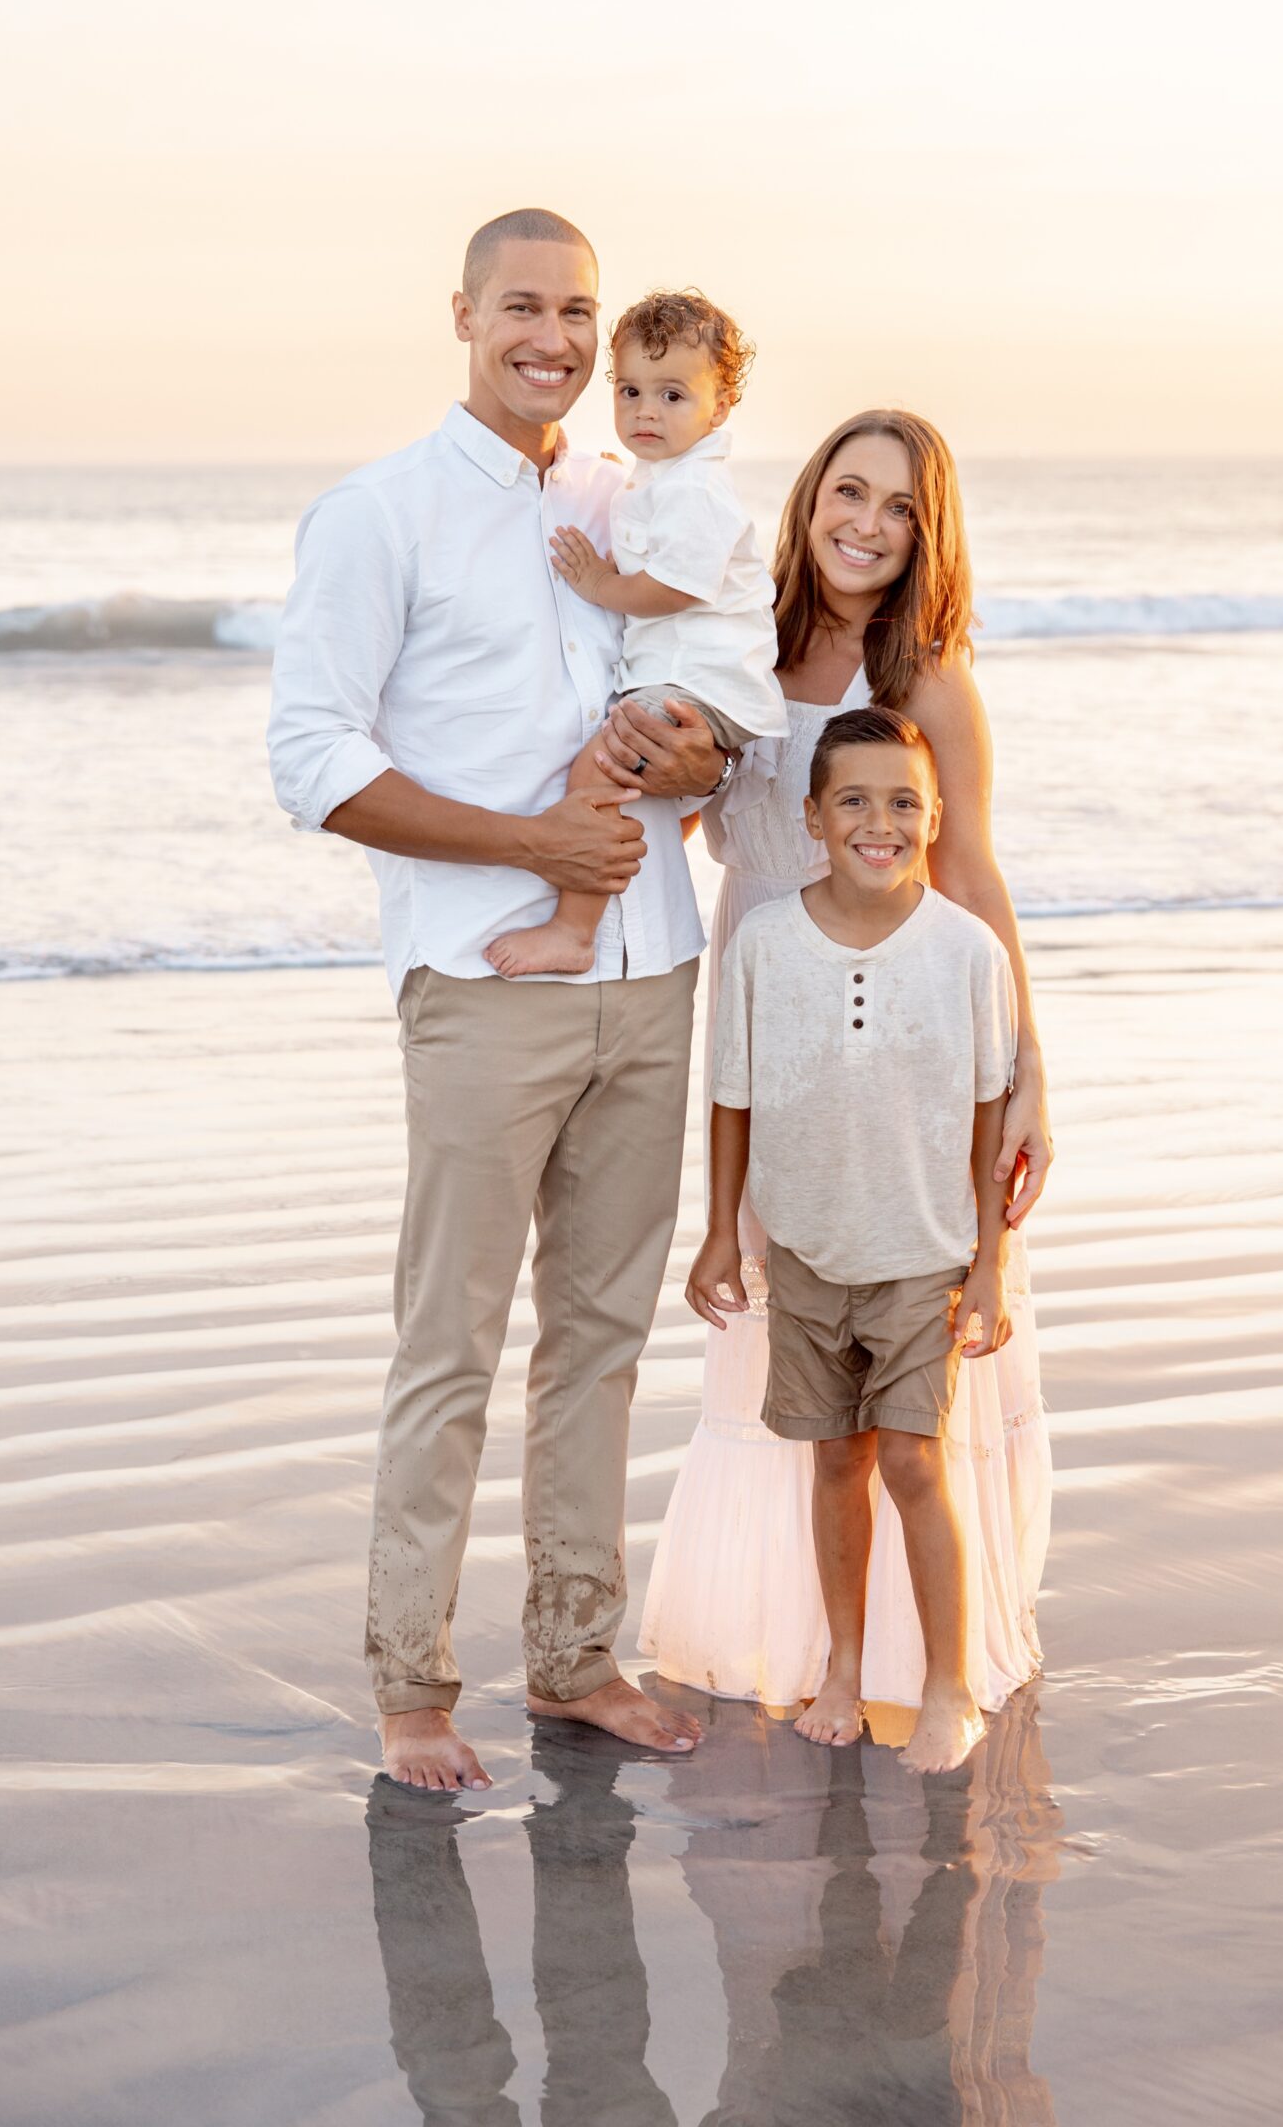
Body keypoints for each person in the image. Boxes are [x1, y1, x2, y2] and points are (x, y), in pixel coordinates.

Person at [267, 207, 726, 1793]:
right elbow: (313, 761)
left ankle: (577, 1657)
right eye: (524, 306)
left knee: (599, 1343)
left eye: (579, 312)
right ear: (463, 313)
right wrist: (529, 841)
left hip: (654, 967)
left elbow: (713, 688)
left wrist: (704, 757)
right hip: (479, 984)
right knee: (448, 1348)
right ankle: (411, 1687)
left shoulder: (628, 504)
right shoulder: (377, 515)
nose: (556, 338)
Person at [637, 409, 1054, 1715]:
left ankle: (919, 1663)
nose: (868, 526)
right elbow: (689, 792)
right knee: (785, 1325)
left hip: (903, 1026)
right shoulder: (738, 640)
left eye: (901, 510)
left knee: (905, 1343)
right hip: (766, 993)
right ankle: (806, 1641)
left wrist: (1029, 1059)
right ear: (811, 494)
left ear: (929, 538)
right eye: (850, 492)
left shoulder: (923, 676)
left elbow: (972, 868)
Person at [695, 707, 1017, 1771]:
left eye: (902, 804)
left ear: (931, 818)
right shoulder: (761, 944)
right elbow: (730, 1100)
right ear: (811, 818)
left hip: (923, 1253)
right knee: (837, 1461)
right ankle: (840, 1665)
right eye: (854, 801)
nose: (879, 823)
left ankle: (946, 1682)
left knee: (917, 1466)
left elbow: (986, 1118)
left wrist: (986, 1270)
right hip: (804, 1251)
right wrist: (716, 1236)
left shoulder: (966, 951)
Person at [485, 287, 785, 980]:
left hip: (704, 683)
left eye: (673, 396)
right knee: (624, 782)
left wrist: (599, 586)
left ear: (720, 406)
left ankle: (573, 927)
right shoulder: (663, 479)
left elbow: (676, 586)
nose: (646, 411)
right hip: (694, 681)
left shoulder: (696, 490)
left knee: (598, 765)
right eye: (630, 392)